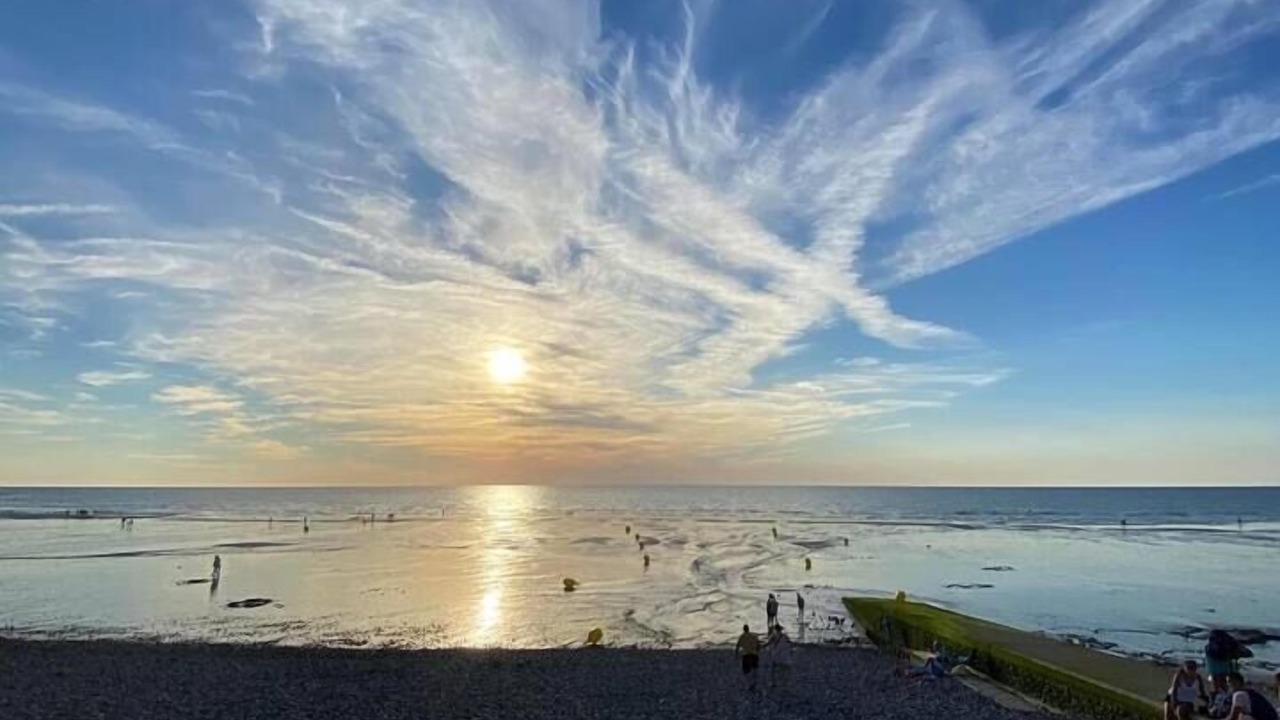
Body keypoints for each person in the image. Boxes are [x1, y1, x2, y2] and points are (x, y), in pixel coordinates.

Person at [766, 625, 793, 690]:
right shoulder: (785, 636)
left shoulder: (774, 636)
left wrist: (760, 646)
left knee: (773, 669)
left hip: (775, 655)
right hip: (784, 656)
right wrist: (790, 651)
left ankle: (773, 682)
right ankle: (785, 683)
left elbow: (768, 643)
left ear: (775, 630)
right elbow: (790, 643)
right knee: (783, 670)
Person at [735, 624, 761, 691]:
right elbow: (758, 644)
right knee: (755, 669)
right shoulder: (754, 635)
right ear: (748, 629)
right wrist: (757, 651)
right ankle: (755, 681)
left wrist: (736, 654)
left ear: (743, 629)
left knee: (746, 671)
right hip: (754, 654)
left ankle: (750, 683)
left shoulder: (742, 636)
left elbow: (738, 646)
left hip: (746, 654)